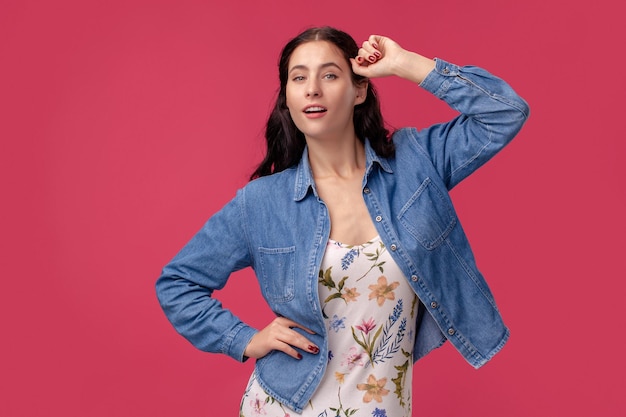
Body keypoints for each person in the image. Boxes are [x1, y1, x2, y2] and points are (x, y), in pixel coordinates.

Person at [156, 26, 529, 416]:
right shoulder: (263, 202)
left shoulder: (417, 162)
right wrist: (245, 340)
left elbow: (504, 112)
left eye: (330, 75)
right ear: (288, 96)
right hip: (285, 406)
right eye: (298, 77)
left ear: (360, 89)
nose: (312, 89)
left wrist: (404, 63)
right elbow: (178, 283)